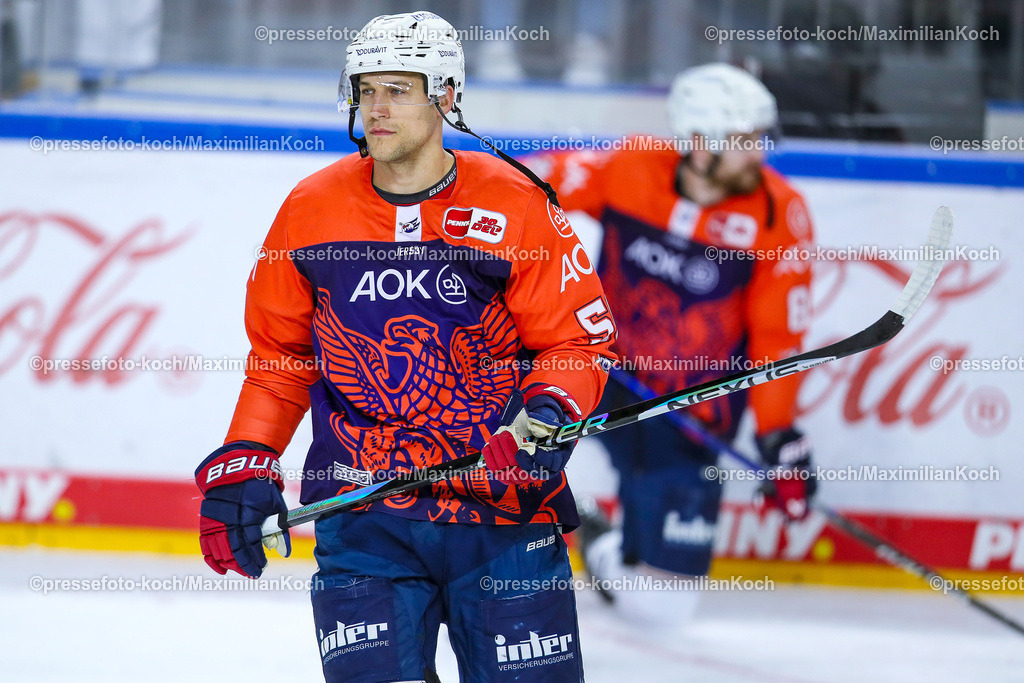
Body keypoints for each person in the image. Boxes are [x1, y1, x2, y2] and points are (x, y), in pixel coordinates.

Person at [193, 10, 616, 682]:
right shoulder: (309, 208)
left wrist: (546, 417)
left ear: (446, 96)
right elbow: (280, 358)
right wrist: (246, 459)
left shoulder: (516, 205)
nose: (377, 108)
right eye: (367, 89)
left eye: (398, 89)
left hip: (502, 514)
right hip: (363, 518)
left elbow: (575, 342)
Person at [525, 63, 816, 625]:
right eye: (743, 141)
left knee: (661, 608)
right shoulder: (632, 165)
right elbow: (529, 187)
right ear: (700, 142)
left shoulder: (780, 213)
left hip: (689, 410)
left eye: (758, 139)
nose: (757, 154)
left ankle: (601, 540)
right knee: (483, 414)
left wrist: (780, 439)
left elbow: (778, 338)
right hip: (600, 374)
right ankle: (523, 519)